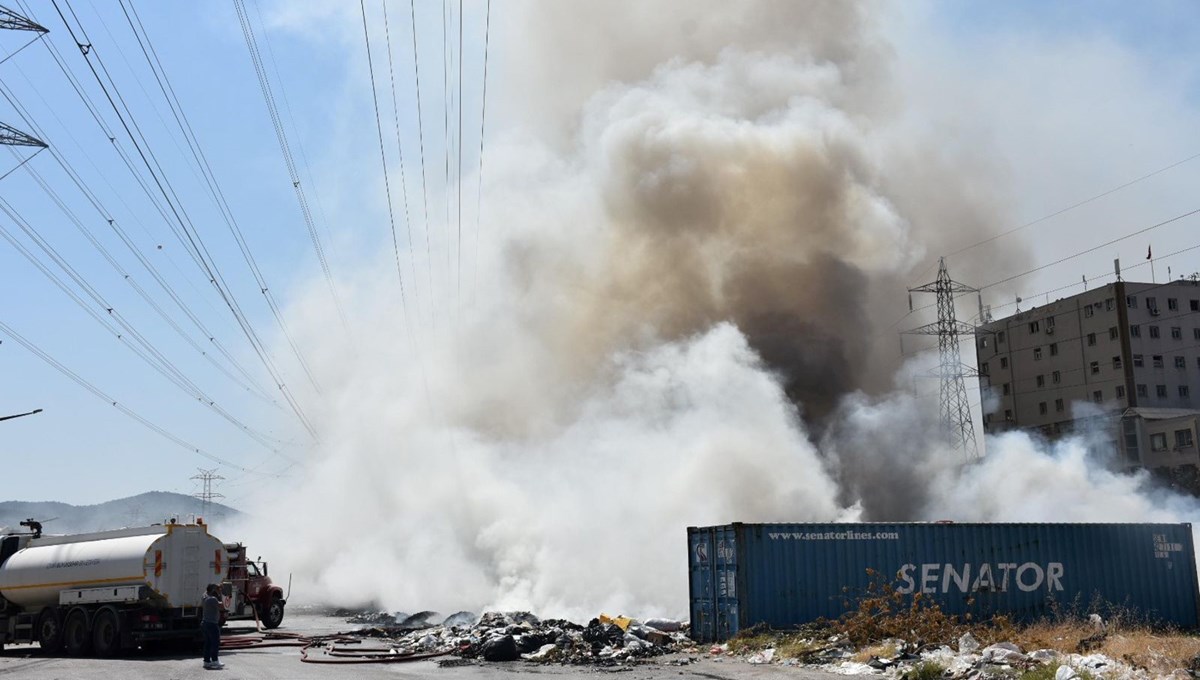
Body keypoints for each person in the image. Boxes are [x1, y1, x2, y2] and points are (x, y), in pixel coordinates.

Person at [201, 583, 225, 670]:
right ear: (213, 591)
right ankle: (215, 660)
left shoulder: (204, 596)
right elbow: (222, 607)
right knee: (215, 642)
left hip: (205, 623)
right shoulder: (213, 599)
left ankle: (206, 661)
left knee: (208, 643)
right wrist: (219, 594)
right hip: (212, 624)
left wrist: (216, 587)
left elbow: (207, 590)